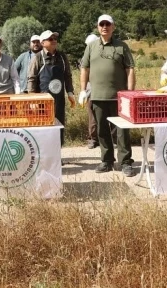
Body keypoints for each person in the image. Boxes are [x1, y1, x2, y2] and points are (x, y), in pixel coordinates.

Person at [79, 14, 137, 177]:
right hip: (97, 96)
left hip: (119, 97)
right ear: (98, 27)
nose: (105, 26)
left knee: (121, 131)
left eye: (108, 24)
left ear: (113, 27)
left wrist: (130, 93)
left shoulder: (122, 46)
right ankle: (107, 160)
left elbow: (130, 69)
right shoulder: (91, 46)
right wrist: (83, 90)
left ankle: (125, 162)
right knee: (102, 131)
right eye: (101, 24)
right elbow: (85, 68)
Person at [27, 30, 75, 152]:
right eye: (50, 39)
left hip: (59, 99)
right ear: (43, 43)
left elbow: (67, 75)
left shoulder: (62, 57)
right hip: (42, 102)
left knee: (59, 126)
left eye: (55, 38)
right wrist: (32, 99)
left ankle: (57, 154)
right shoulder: (37, 58)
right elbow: (31, 79)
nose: (54, 40)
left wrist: (70, 92)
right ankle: (44, 155)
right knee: (44, 128)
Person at [82, 33, 99, 149]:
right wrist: (83, 91)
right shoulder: (86, 57)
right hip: (91, 91)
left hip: (106, 90)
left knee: (111, 115)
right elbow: (84, 74)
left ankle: (113, 139)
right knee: (92, 117)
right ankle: (93, 139)